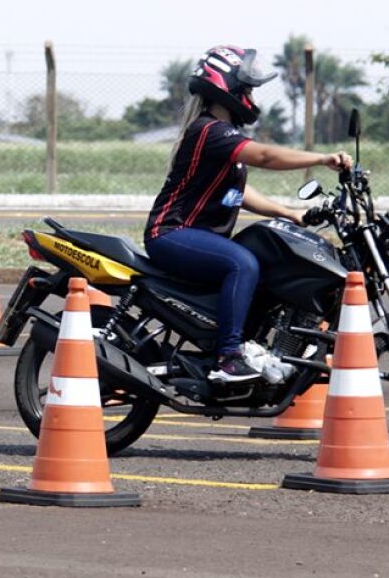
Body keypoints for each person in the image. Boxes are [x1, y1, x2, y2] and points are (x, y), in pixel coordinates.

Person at [143, 46, 351, 384]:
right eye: (248, 88)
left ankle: (254, 343)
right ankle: (228, 357)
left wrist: (290, 213)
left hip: (198, 237)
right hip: (171, 234)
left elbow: (238, 193)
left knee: (265, 258)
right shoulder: (210, 131)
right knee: (242, 262)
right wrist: (322, 158)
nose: (252, 96)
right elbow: (267, 157)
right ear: (228, 87)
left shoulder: (225, 138)